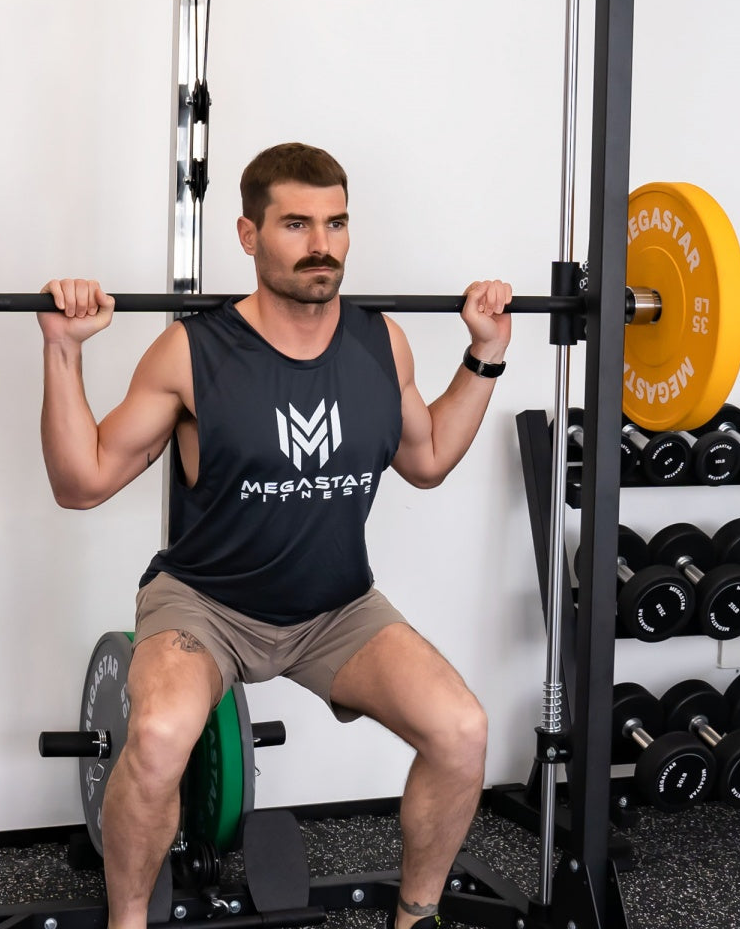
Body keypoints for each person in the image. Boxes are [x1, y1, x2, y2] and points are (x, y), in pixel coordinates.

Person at [38, 143, 512, 929]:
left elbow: (426, 459)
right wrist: (62, 349)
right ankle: (127, 924)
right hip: (205, 607)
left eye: (335, 223)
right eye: (295, 223)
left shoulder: (378, 342)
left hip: (337, 610)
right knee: (156, 738)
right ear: (248, 236)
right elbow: (79, 483)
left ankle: (416, 916)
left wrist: (483, 357)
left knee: (461, 730)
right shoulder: (194, 352)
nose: (320, 243)